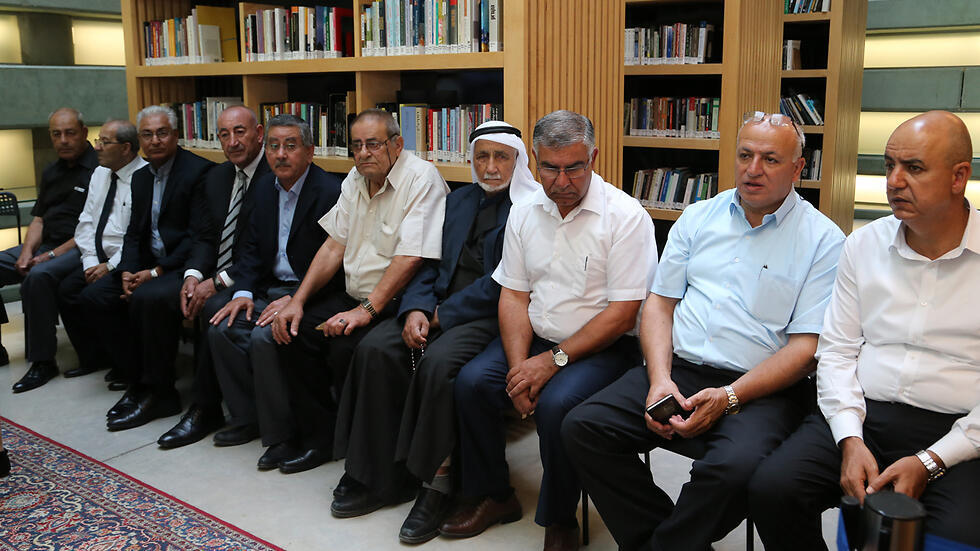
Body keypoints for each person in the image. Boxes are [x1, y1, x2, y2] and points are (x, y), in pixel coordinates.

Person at [561, 110, 845, 551]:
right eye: (745, 155)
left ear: (797, 168)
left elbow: (807, 347)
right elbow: (660, 302)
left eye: (770, 159)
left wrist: (731, 397)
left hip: (761, 389)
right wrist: (659, 378)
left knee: (737, 469)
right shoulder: (698, 217)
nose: (753, 169)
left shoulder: (824, 240)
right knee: (583, 426)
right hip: (680, 369)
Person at [748, 111, 980, 549]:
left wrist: (930, 461)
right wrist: (850, 438)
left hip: (961, 429)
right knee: (773, 489)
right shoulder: (863, 245)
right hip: (866, 413)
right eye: (888, 165)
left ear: (958, 177)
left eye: (913, 168)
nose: (893, 181)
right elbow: (836, 352)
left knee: (958, 535)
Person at [440, 110, 657, 551]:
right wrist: (521, 367)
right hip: (538, 338)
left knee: (558, 404)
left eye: (574, 167)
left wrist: (551, 362)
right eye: (550, 168)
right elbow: (514, 296)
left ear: (594, 157)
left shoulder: (625, 216)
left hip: (605, 347)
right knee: (473, 382)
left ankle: (560, 519)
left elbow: (623, 313)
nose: (561, 181)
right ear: (534, 162)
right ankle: (494, 495)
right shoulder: (524, 213)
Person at [331, 120, 536, 545]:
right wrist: (417, 309)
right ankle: (377, 473)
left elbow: (505, 284)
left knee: (438, 365)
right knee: (376, 349)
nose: (491, 166)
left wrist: (440, 315)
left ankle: (436, 485)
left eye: (501, 156)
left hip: (489, 316)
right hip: (436, 306)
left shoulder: (531, 209)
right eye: (482, 156)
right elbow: (425, 261)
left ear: (519, 160)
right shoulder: (458, 200)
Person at [267, 108, 449, 475]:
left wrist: (366, 310)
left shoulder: (421, 179)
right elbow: (334, 245)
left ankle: (366, 452)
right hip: (353, 295)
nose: (363, 153)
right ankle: (320, 437)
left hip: (395, 299)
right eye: (356, 146)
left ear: (397, 145)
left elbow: (410, 258)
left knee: (354, 348)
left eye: (373, 144)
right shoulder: (355, 177)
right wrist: (297, 300)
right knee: (294, 331)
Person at [205, 114, 342, 455]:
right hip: (269, 288)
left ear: (309, 152)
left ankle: (282, 435)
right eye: (274, 146)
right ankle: (248, 418)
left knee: (266, 336)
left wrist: (297, 298)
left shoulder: (330, 192)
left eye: (290, 146)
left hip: (314, 293)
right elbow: (249, 250)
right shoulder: (264, 190)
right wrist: (242, 293)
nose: (281, 154)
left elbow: (336, 265)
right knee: (223, 327)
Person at [79, 105, 213, 431]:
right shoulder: (141, 177)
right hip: (147, 265)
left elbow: (197, 238)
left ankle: (162, 392)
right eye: (147, 134)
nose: (154, 141)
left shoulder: (198, 172)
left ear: (176, 135)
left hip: (184, 266)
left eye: (162, 133)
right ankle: (137, 379)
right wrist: (126, 271)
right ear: (139, 140)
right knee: (95, 297)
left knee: (147, 298)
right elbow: (134, 233)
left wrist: (155, 272)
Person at [157, 105, 271, 449]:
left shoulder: (275, 174)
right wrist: (193, 276)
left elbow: (264, 251)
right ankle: (154, 390)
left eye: (240, 132)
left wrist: (218, 282)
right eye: (224, 134)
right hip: (223, 272)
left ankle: (204, 407)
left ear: (259, 133)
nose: (233, 142)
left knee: (214, 308)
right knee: (168, 295)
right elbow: (205, 236)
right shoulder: (218, 178)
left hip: (259, 277)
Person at [19, 120, 147, 397]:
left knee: (94, 295)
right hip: (95, 256)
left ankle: (126, 365)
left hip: (124, 260)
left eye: (104, 141)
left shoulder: (144, 176)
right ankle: (95, 357)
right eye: (99, 140)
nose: (97, 147)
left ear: (125, 148)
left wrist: (110, 266)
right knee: (67, 289)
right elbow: (86, 222)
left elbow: (138, 235)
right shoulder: (100, 174)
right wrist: (90, 263)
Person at [7, 107, 98, 392]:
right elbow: (39, 218)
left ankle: (43, 361)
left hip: (79, 248)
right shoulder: (51, 170)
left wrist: (47, 256)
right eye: (56, 134)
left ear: (84, 133)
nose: (63, 140)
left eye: (70, 133)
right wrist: (27, 251)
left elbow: (92, 230)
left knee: (38, 276)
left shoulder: (99, 169)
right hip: (46, 244)